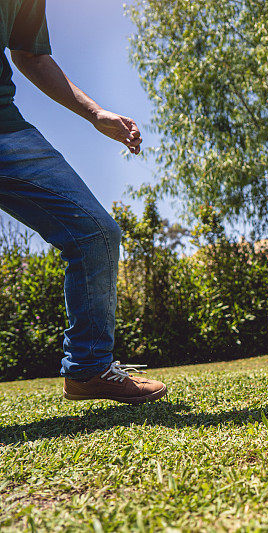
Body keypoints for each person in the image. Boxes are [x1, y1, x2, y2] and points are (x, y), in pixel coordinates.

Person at [1, 0, 166, 403]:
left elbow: (31, 53)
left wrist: (94, 113)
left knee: (95, 232)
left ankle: (88, 368)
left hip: (5, 129)